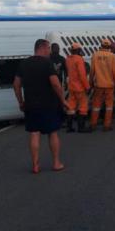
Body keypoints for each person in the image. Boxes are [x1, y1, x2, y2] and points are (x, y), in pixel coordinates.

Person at [14, 39, 69, 174]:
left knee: (34, 133)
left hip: (31, 105)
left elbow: (16, 85)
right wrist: (63, 100)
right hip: (48, 104)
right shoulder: (47, 63)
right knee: (53, 133)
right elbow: (56, 84)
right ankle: (56, 163)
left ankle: (35, 165)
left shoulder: (24, 64)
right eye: (49, 48)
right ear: (43, 48)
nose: (50, 51)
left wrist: (21, 102)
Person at [89, 39, 115, 132]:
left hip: (98, 85)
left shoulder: (95, 55)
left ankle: (93, 124)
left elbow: (92, 71)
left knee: (96, 106)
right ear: (109, 47)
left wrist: (90, 82)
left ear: (101, 45)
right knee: (109, 106)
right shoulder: (112, 56)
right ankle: (107, 125)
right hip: (109, 86)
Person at [65, 42, 91, 133]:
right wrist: (87, 87)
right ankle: (81, 127)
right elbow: (82, 75)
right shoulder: (79, 59)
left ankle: (69, 127)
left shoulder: (68, 59)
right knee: (83, 107)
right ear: (78, 50)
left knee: (71, 107)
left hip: (71, 87)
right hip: (79, 88)